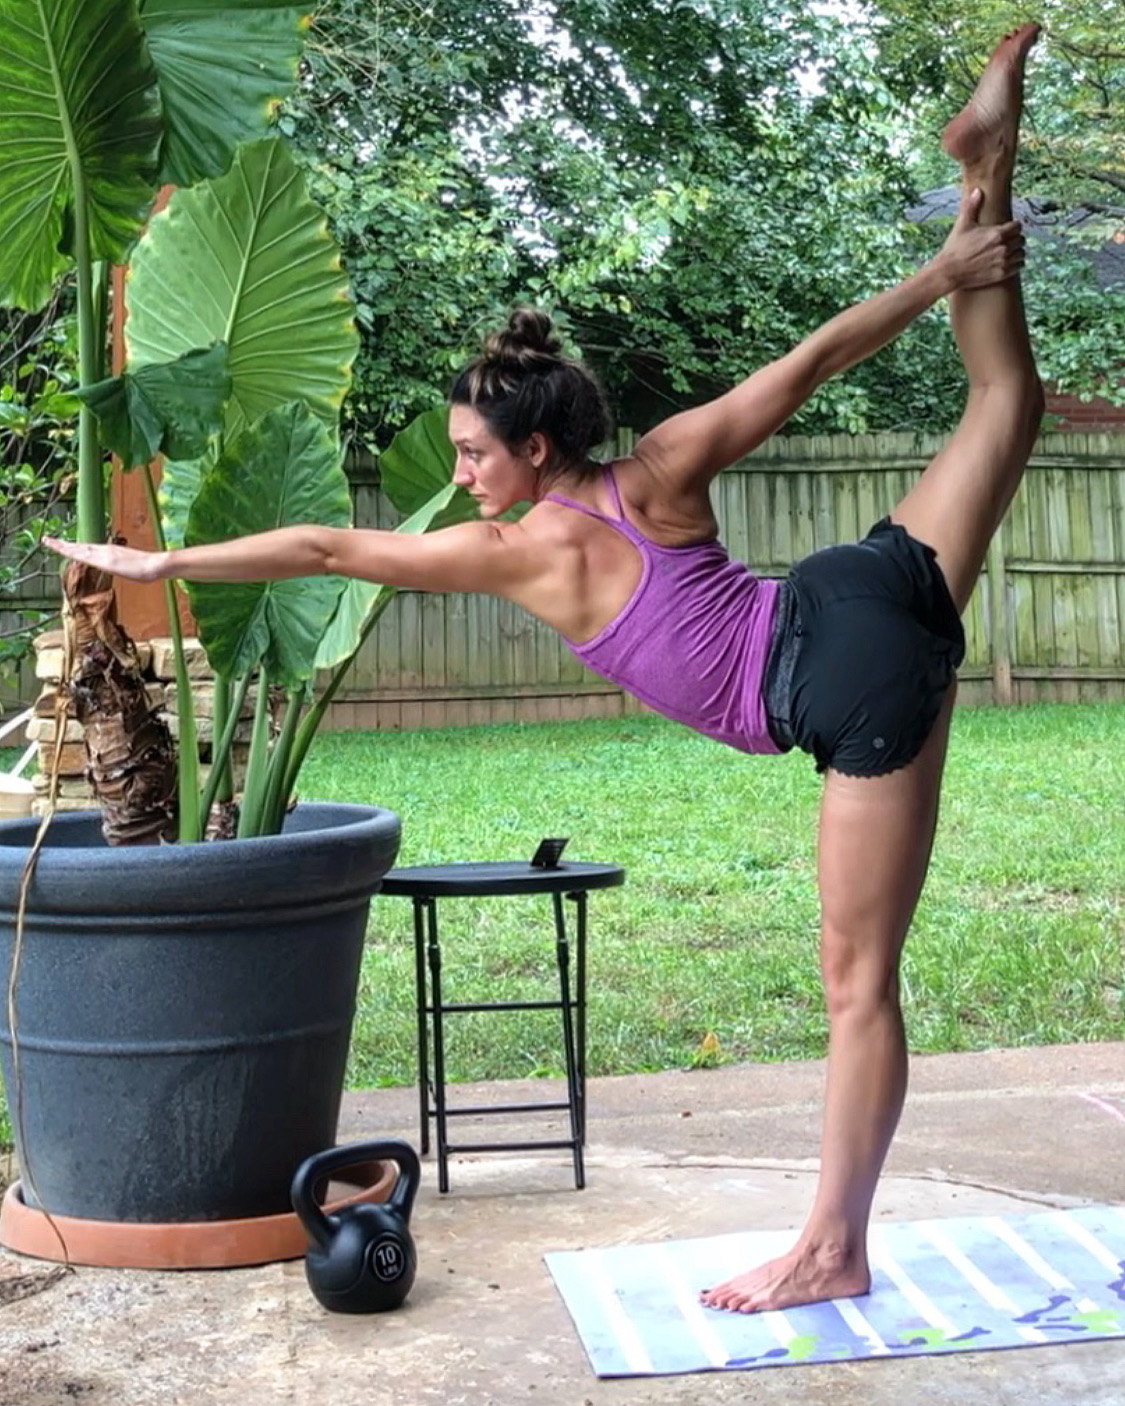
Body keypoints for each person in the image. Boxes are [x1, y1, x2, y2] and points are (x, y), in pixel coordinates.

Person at [48, 24, 1043, 1314]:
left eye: (472, 452)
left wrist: (165, 564)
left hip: (835, 693)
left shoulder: (516, 557)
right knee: (1003, 403)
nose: (461, 473)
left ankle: (829, 1247)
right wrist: (942, 270)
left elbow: (326, 546)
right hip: (854, 590)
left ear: (530, 448)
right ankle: (986, 175)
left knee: (859, 985)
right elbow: (809, 363)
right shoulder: (660, 469)